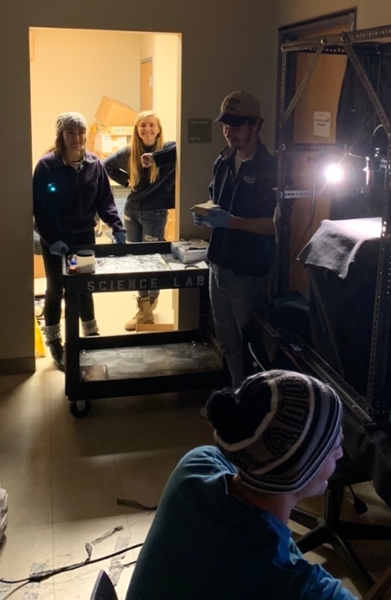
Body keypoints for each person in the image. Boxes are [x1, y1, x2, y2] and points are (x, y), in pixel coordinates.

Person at [125, 370, 357, 600]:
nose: (340, 451)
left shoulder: (197, 463)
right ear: (300, 470)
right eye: (333, 442)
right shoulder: (294, 587)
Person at [192, 90, 277, 389]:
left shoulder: (271, 169)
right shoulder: (224, 161)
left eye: (238, 126)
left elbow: (273, 226)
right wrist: (206, 212)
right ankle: (238, 397)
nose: (230, 133)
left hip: (248, 271)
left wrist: (231, 222)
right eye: (226, 126)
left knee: (252, 343)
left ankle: (257, 405)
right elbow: (218, 200)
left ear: (257, 126)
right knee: (226, 339)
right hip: (218, 263)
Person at [33, 112, 126, 371]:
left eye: (80, 132)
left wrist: (117, 227)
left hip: (84, 236)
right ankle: (55, 342)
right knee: (56, 288)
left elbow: (105, 201)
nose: (77, 138)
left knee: (85, 286)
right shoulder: (46, 166)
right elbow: (39, 208)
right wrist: (51, 239)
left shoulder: (94, 165)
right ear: (61, 136)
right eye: (70, 133)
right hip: (56, 239)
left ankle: (91, 335)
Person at [103, 111, 176, 331]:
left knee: (151, 260)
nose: (147, 129)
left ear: (158, 128)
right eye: (142, 125)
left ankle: (148, 306)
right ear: (137, 130)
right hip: (132, 211)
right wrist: (126, 181)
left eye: (151, 125)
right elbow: (106, 165)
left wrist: (155, 158)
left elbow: (183, 148)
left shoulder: (168, 148)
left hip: (155, 213)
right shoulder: (130, 152)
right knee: (135, 259)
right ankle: (144, 309)